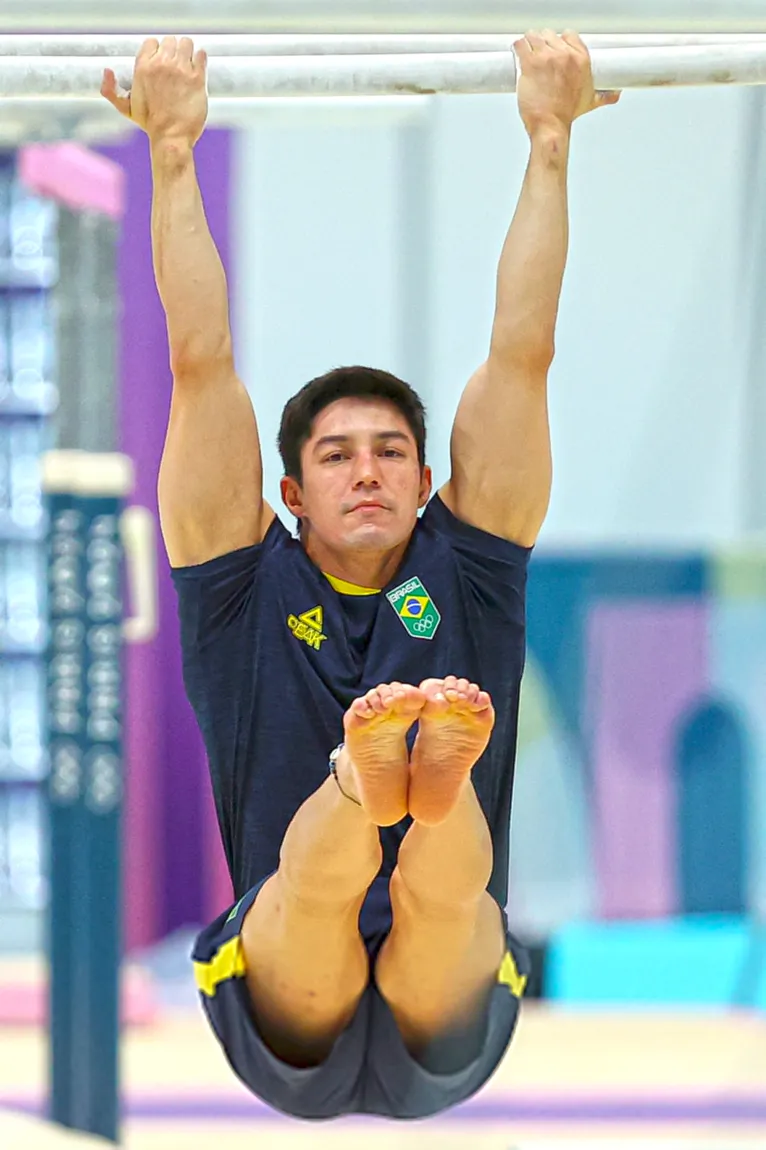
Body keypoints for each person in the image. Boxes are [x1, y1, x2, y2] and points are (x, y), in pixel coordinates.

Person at [102, 32, 618, 1120]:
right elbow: (200, 362)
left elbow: (524, 350)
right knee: (316, 888)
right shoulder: (238, 584)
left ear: (430, 477)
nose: (368, 472)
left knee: (445, 892)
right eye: (336, 456)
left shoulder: (469, 566)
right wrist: (172, 150)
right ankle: (368, 779)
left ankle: (417, 787)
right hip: (294, 984)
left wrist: (549, 138)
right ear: (288, 492)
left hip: (446, 991)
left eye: (390, 451)